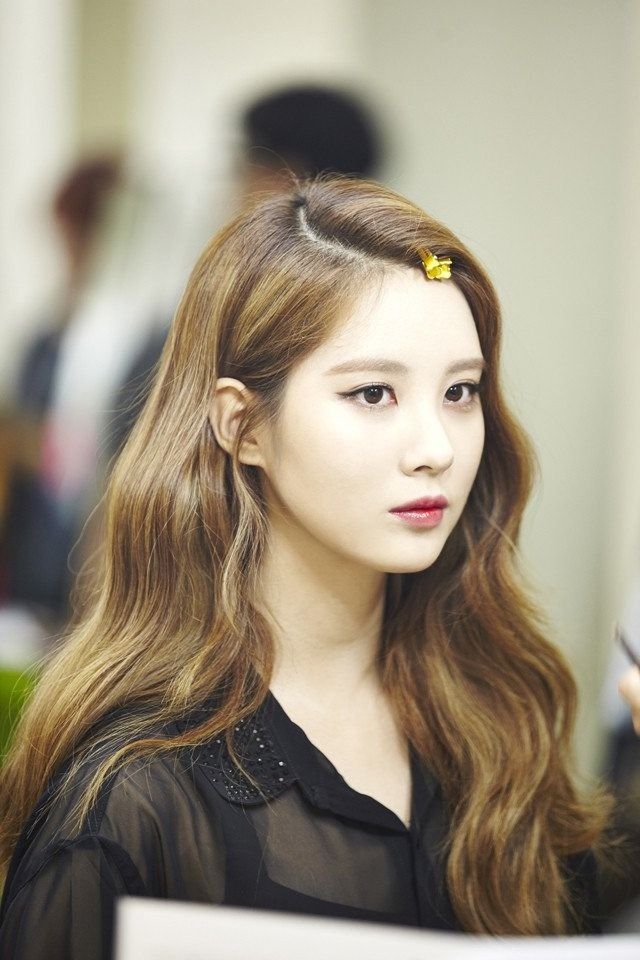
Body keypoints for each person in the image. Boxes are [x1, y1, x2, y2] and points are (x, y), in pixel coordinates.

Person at [0, 176, 618, 958]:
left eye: (461, 392)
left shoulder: (496, 718)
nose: (437, 448)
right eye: (373, 394)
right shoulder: (136, 797)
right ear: (243, 425)